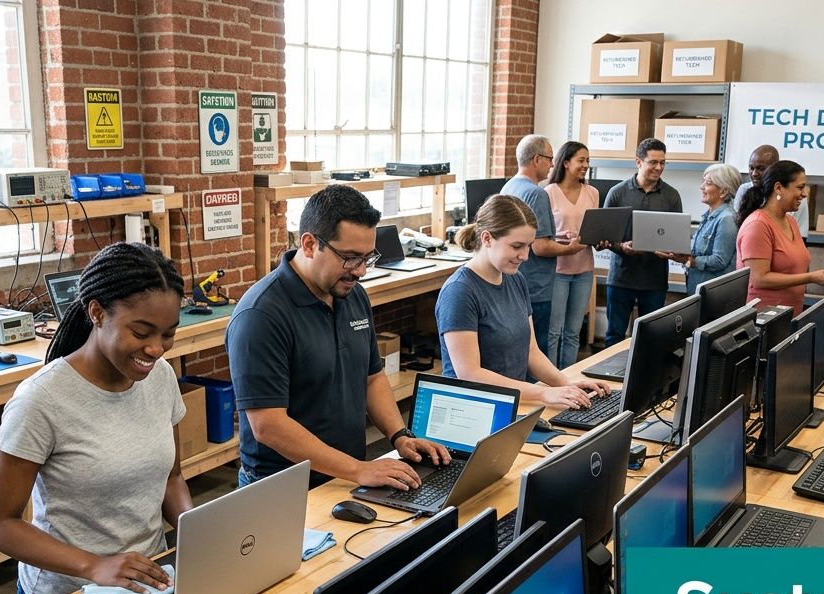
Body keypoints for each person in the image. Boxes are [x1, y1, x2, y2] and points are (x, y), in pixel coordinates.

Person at [0, 243, 193, 594]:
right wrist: (95, 565)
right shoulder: (41, 400)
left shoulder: (160, 378)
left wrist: (197, 530)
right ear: (96, 313)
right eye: (141, 332)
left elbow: (171, 478)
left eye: (168, 334)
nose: (157, 349)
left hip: (149, 583)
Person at [226, 184, 449, 492]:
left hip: (346, 476)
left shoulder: (352, 295)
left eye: (367, 258)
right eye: (350, 258)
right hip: (282, 489)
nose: (361, 272)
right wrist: (359, 469)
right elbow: (268, 425)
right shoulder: (260, 315)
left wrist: (400, 436)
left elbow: (371, 378)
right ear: (308, 244)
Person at [436, 194, 612, 409]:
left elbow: (530, 352)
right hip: (470, 411)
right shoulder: (460, 292)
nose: (525, 255)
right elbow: (470, 374)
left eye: (528, 246)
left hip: (511, 402)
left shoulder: (515, 279)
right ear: (487, 238)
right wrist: (543, 393)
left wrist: (569, 386)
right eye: (516, 246)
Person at [500, 135, 584, 358]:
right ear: (536, 159)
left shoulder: (509, 186)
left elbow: (530, 238)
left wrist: (558, 237)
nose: (552, 165)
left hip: (514, 283)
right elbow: (540, 247)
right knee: (538, 353)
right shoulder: (537, 193)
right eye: (549, 158)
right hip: (537, 288)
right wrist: (572, 248)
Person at [602, 137, 683, 346]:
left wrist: (670, 251)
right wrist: (622, 247)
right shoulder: (618, 193)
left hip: (654, 280)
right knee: (614, 335)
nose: (659, 168)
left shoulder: (672, 196)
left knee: (651, 337)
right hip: (621, 278)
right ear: (638, 162)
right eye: (653, 162)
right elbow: (605, 235)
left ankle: (643, 378)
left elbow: (675, 238)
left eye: (663, 163)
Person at [735, 159, 824, 308]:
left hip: (788, 312)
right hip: (763, 316)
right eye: (800, 187)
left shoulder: (790, 221)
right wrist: (810, 277)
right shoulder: (757, 225)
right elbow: (759, 278)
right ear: (778, 188)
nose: (804, 194)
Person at [543, 140, 606, 369]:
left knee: (572, 332)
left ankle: (568, 378)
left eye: (588, 160)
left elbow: (596, 229)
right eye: (581, 160)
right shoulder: (548, 192)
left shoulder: (592, 193)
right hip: (558, 271)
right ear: (566, 162)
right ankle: (549, 381)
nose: (585, 165)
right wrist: (564, 239)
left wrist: (601, 239)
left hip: (584, 270)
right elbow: (543, 235)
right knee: (554, 331)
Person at [686, 163, 743, 294]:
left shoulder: (726, 219)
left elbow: (719, 260)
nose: (702, 187)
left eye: (708, 183)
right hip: (699, 289)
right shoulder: (709, 216)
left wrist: (690, 261)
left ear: (723, 191)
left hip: (713, 295)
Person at [735, 144, 809, 237]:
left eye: (761, 168)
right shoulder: (744, 190)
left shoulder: (796, 200)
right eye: (751, 168)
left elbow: (801, 238)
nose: (754, 173)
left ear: (774, 169)